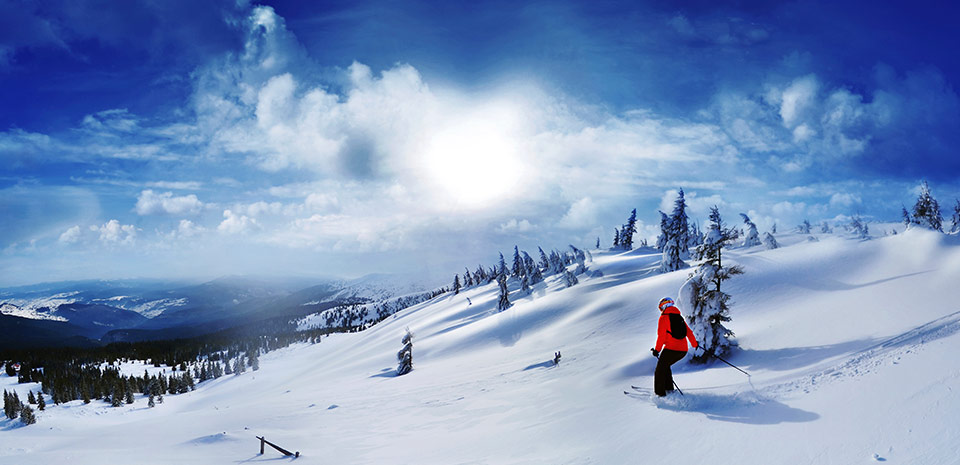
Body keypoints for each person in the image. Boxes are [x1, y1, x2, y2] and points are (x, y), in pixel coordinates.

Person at [651, 297, 698, 396]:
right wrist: (694, 344)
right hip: (683, 351)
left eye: (661, 308)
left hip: (671, 349)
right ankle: (669, 389)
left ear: (663, 306)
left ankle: (660, 394)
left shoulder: (664, 318)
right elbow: (688, 332)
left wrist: (657, 350)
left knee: (659, 370)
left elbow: (661, 337)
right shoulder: (679, 317)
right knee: (665, 366)